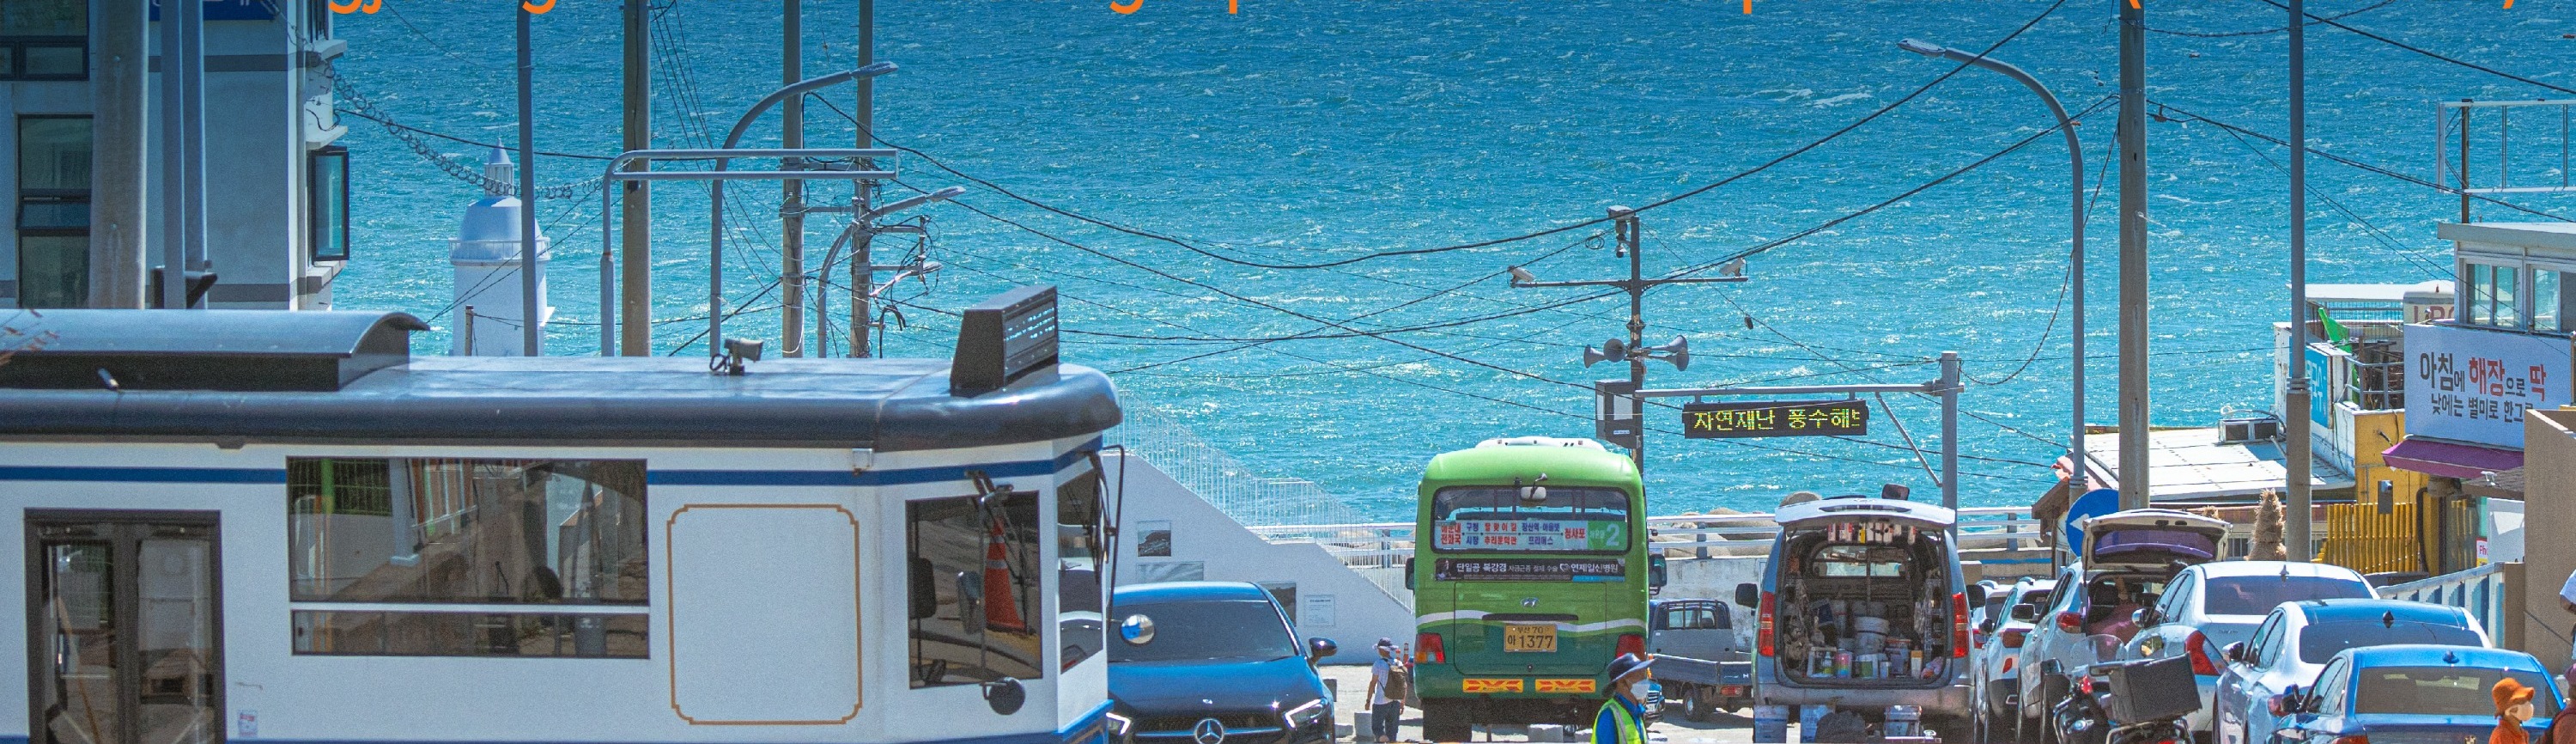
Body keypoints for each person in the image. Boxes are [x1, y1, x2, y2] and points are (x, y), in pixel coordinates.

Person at [1592, 653, 1654, 744]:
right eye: (1638, 676)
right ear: (1622, 682)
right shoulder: (1609, 714)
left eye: (1643, 675)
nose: (1643, 680)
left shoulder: (1637, 712)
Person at [1369, 638, 1404, 743]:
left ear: (1382, 650)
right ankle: (1390, 740)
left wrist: (1368, 700)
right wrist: (1402, 702)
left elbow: (1373, 683)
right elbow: (1403, 685)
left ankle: (1383, 738)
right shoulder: (1398, 663)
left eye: (1379, 649)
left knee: (1377, 728)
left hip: (1381, 701)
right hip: (1395, 701)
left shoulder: (1378, 664)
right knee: (1392, 731)